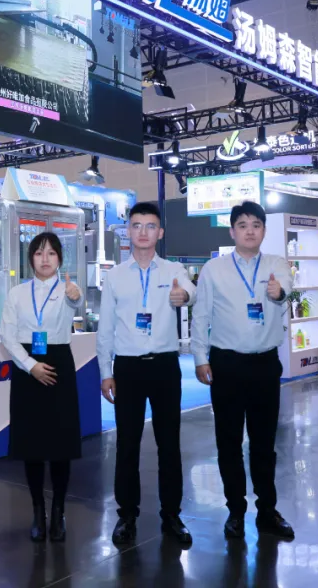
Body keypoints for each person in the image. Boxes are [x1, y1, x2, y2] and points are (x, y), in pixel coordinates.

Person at [191, 201, 295, 542]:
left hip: (265, 364)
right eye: (243, 225)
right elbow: (201, 315)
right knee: (229, 443)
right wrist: (200, 357)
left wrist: (280, 293)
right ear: (232, 231)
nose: (250, 231)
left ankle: (267, 510)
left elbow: (287, 289)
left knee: (265, 443)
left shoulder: (277, 264)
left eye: (256, 225)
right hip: (227, 365)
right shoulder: (214, 269)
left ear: (264, 230)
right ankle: (235, 510)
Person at [97, 202, 196, 546]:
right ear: (128, 231)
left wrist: (184, 295)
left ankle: (172, 514)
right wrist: (106, 371)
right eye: (136, 225)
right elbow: (105, 328)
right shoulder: (115, 276)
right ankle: (127, 515)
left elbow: (191, 290)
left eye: (150, 226)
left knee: (169, 444)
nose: (143, 232)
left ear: (160, 232)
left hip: (165, 366)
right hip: (127, 368)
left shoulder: (173, 269)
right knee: (127, 444)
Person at [0, 231, 83, 543]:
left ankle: (58, 510)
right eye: (38, 253)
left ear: (60, 258)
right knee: (31, 445)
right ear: (30, 259)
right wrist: (29, 365)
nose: (45, 259)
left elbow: (77, 302)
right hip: (27, 368)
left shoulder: (68, 289)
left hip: (59, 364)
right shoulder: (17, 293)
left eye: (51, 253)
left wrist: (75, 296)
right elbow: (7, 335)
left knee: (60, 445)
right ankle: (38, 510)